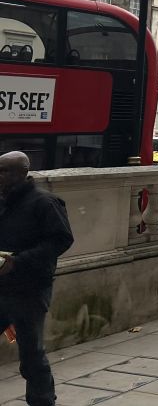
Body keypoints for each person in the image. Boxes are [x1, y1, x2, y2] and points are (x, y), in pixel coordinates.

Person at [0, 151, 74, 406]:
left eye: (5, 171)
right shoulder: (3, 201)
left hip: (30, 289)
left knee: (31, 353)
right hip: (2, 286)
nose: (0, 176)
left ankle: (42, 400)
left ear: (23, 172)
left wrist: (18, 261)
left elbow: (61, 240)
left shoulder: (45, 202)